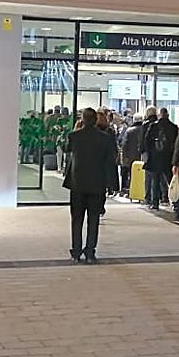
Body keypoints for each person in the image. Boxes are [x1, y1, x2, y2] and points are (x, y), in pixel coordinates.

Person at [63, 107, 120, 264]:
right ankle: (90, 252)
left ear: (82, 119)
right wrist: (112, 184)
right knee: (93, 219)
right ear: (95, 120)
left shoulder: (74, 136)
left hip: (77, 184)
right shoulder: (105, 138)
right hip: (97, 184)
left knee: (76, 219)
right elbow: (109, 163)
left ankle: (76, 252)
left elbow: (67, 149)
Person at [143, 106, 178, 209]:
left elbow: (147, 141)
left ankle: (155, 203)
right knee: (171, 181)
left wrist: (149, 154)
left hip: (155, 157)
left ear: (159, 115)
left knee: (155, 181)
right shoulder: (173, 127)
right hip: (168, 157)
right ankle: (174, 202)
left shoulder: (153, 126)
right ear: (167, 115)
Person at [120, 115, 145, 198]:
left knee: (132, 175)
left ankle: (132, 191)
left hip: (131, 157)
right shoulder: (145, 129)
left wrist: (124, 157)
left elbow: (124, 145)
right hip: (143, 156)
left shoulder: (129, 131)